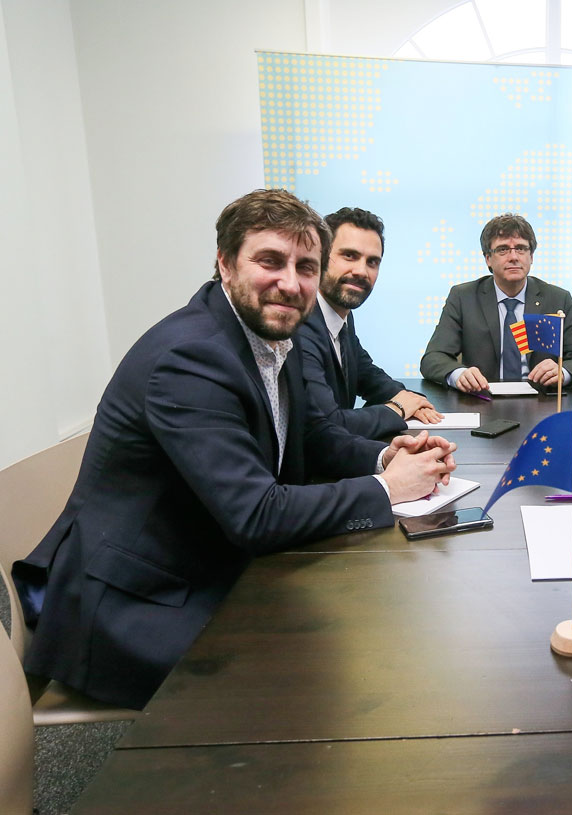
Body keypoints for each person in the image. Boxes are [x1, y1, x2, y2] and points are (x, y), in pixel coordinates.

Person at [12, 189, 457, 710]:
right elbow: (256, 515)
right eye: (270, 261)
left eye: (306, 267)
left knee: (366, 629)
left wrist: (385, 457)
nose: (290, 283)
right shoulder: (191, 357)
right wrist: (388, 489)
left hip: (203, 555)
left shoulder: (273, 331)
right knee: (318, 670)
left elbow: (313, 435)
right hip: (132, 598)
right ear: (224, 263)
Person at [298, 207, 442, 440]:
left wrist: (413, 399)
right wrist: (398, 408)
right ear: (321, 256)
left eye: (372, 262)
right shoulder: (300, 325)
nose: (361, 271)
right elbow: (329, 423)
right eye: (349, 256)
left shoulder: (340, 315)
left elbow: (367, 374)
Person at [420, 213, 572, 392]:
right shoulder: (463, 297)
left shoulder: (557, 298)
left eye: (521, 248)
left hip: (542, 401)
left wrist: (563, 372)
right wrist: (459, 374)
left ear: (531, 257)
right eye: (503, 249)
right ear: (488, 259)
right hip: (482, 400)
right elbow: (433, 358)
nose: (514, 257)